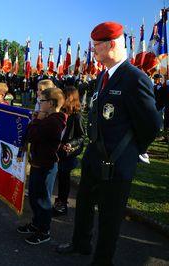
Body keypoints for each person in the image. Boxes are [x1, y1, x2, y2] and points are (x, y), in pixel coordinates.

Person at [56, 22, 161, 265]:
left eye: (96, 46)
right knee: (82, 204)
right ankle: (80, 244)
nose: (93, 51)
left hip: (118, 162)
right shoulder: (104, 75)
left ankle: (102, 261)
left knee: (110, 216)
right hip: (95, 155)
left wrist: (134, 150)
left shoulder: (135, 79)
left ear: (111, 45)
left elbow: (152, 124)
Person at [16, 87, 67, 245]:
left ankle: (44, 231)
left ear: (51, 103)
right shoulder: (47, 118)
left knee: (43, 199)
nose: (39, 103)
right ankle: (36, 223)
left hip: (46, 165)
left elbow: (33, 135)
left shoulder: (55, 120)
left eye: (41, 101)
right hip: (38, 163)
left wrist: (37, 120)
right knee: (34, 196)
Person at [53, 86, 85, 216]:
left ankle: (62, 203)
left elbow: (82, 136)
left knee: (64, 178)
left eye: (63, 96)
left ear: (70, 98)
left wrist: (70, 144)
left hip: (67, 154)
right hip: (56, 151)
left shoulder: (77, 117)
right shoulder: (59, 112)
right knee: (57, 176)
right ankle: (57, 201)